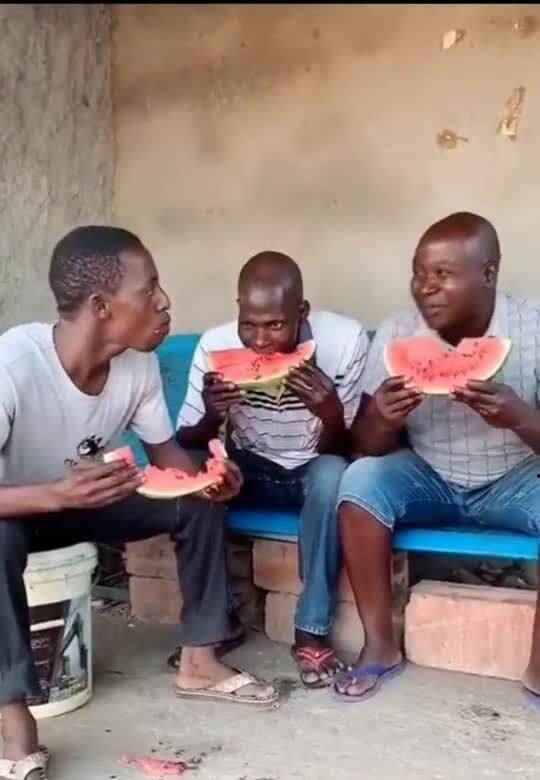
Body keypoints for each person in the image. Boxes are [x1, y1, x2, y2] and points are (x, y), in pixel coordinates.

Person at [0, 225, 280, 780]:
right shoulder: (14, 364)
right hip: (18, 511)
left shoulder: (137, 366)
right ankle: (13, 720)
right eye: (149, 289)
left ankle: (201, 660)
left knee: (197, 499)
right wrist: (55, 493)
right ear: (102, 306)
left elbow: (167, 459)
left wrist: (209, 476)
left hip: (92, 499)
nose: (164, 302)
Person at [335, 212, 540, 702]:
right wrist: (382, 418)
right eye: (418, 274)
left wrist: (520, 417)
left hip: (517, 478)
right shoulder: (398, 332)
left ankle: (539, 668)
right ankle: (380, 646)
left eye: (442, 274)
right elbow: (365, 445)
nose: (424, 287)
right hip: (429, 476)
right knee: (360, 481)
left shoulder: (533, 327)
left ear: (488, 273)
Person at [174, 251, 369, 687]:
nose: (260, 341)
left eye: (276, 325)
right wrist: (211, 415)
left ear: (302, 312)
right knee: (201, 477)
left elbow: (353, 448)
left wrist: (330, 413)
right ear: (238, 310)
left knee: (334, 476)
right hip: (251, 469)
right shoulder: (214, 345)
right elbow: (186, 442)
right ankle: (215, 626)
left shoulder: (346, 339)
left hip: (315, 467)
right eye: (249, 324)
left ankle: (311, 630)